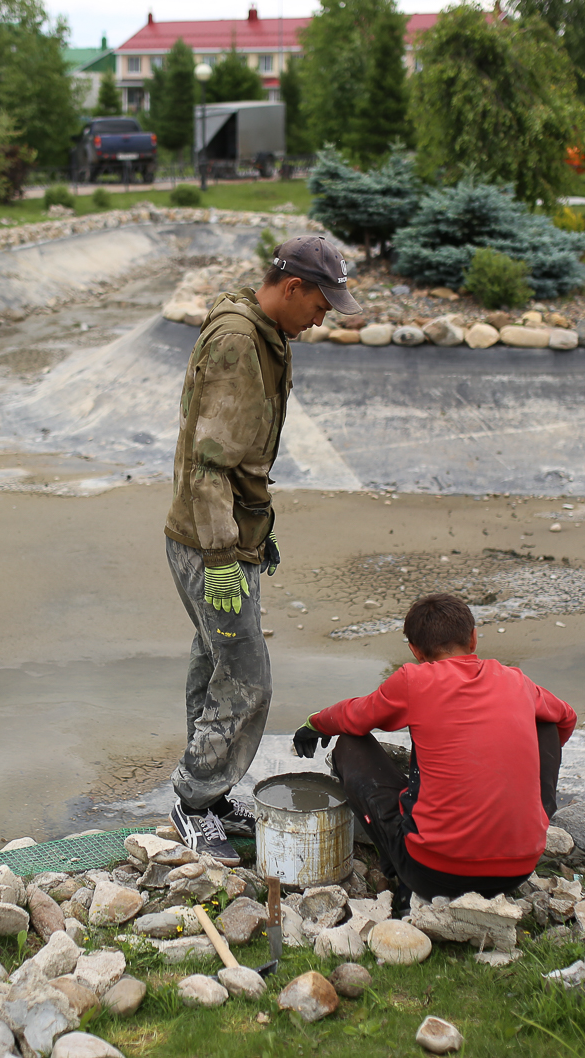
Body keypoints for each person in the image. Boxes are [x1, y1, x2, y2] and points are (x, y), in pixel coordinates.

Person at [164, 236, 362, 865]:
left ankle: (212, 795)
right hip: (208, 540)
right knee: (248, 678)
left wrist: (256, 525)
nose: (325, 315)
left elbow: (237, 461)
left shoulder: (261, 331)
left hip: (223, 530)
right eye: (322, 302)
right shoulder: (237, 343)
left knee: (215, 662)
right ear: (293, 286)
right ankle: (195, 805)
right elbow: (208, 462)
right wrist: (223, 555)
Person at [292, 593, 576, 904]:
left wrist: (315, 723)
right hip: (517, 868)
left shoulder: (413, 680)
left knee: (349, 744)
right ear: (473, 639)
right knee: (546, 720)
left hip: (433, 874)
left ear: (414, 651)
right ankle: (531, 820)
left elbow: (354, 717)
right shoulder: (515, 680)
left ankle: (399, 876)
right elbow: (566, 717)